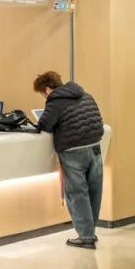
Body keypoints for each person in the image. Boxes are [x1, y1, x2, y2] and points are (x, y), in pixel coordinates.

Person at [33, 71, 105, 250]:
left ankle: (86, 236)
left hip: (73, 151)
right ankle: (91, 232)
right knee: (94, 191)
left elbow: (44, 125)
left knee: (77, 193)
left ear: (47, 89)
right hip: (95, 147)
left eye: (42, 93)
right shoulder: (85, 94)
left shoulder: (55, 101)